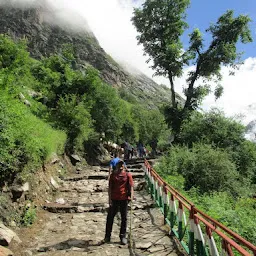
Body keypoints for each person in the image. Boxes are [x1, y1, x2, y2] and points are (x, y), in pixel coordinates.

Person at [104, 160, 134, 245]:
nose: (120, 166)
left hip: (124, 199)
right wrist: (109, 199)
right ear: (116, 166)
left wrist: (131, 196)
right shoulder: (113, 176)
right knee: (110, 217)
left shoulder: (128, 175)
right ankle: (107, 236)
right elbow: (110, 188)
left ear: (124, 166)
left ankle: (122, 236)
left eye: (122, 165)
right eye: (119, 165)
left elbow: (131, 186)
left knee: (124, 218)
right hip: (114, 198)